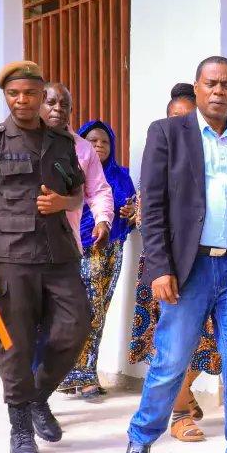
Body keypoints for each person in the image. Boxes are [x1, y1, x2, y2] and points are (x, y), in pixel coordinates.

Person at [123, 57, 227, 453]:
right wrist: (160, 267)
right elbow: (152, 205)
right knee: (171, 360)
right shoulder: (168, 133)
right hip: (189, 267)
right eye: (211, 84)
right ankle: (141, 437)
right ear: (197, 86)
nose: (219, 92)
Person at [0, 61, 89, 453]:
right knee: (13, 343)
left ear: (40, 95)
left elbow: (78, 195)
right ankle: (20, 428)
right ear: (6, 96)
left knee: (75, 326)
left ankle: (37, 396)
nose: (22, 100)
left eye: (30, 93)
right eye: (14, 94)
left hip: (58, 254)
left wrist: (63, 202)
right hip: (8, 257)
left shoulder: (62, 141)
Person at [128, 83, 226, 441]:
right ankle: (179, 413)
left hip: (213, 265)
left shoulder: (215, 157)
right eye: (175, 118)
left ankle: (183, 400)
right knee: (175, 346)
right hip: (167, 265)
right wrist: (162, 268)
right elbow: (147, 211)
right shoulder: (161, 154)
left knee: (213, 343)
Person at [35, 83, 114, 398]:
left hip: (66, 250)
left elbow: (99, 190)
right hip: (24, 250)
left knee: (71, 321)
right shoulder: (21, 142)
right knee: (30, 322)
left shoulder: (82, 149)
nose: (57, 109)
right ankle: (32, 397)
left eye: (64, 104)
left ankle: (42, 388)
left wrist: (103, 219)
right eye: (51, 102)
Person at [58, 119, 137, 397]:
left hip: (113, 249)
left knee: (100, 311)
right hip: (83, 248)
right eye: (92, 141)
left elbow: (133, 210)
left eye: (104, 141)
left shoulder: (122, 176)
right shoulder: (73, 171)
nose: (99, 145)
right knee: (87, 310)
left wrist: (131, 214)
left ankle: (81, 373)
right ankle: (76, 374)